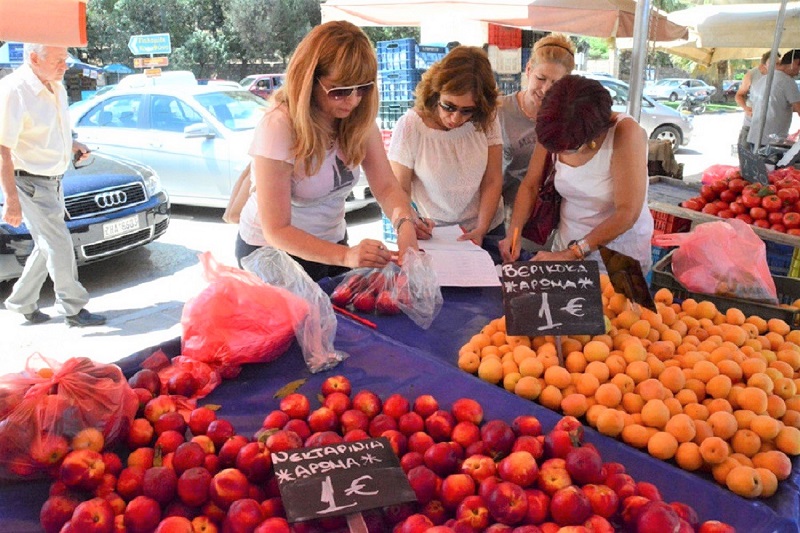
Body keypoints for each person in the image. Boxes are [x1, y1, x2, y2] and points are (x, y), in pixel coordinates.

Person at [236, 21, 419, 281]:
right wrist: (346, 256)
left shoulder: (358, 118)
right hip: (272, 252)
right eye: (340, 91)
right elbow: (276, 229)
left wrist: (405, 226)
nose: (353, 100)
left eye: (363, 88)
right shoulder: (278, 126)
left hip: (332, 243)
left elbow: (387, 188)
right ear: (309, 81)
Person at [499, 75, 654, 273]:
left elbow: (627, 213)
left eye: (569, 150)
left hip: (618, 257)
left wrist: (572, 253)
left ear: (593, 135)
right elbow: (531, 184)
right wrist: (514, 232)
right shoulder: (554, 124)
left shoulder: (626, 132)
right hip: (566, 246)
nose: (559, 154)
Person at [0, 44, 106, 327]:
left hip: (53, 179)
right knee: (59, 242)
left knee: (47, 244)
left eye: (65, 59)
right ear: (35, 58)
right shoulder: (14, 90)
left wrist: (72, 144)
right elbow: (2, 149)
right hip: (30, 182)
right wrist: (11, 199)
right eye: (59, 60)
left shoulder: (55, 85)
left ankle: (21, 301)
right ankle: (73, 308)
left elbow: (49, 131)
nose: (65, 66)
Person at [387, 46, 504, 261]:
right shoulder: (411, 126)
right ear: (436, 92)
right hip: (435, 234)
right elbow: (397, 189)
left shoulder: (487, 118)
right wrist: (412, 221)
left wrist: (481, 228)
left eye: (467, 110)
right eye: (448, 106)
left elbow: (493, 179)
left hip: (487, 227)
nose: (456, 118)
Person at [497, 34, 575, 219]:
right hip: (502, 211)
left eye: (556, 83)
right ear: (528, 70)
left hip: (548, 216)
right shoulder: (499, 111)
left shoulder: (567, 119)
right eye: (541, 78)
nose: (546, 89)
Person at [746, 49, 800, 148]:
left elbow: (774, 105)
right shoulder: (787, 81)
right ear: (795, 63)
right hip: (772, 141)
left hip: (754, 137)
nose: (798, 73)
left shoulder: (763, 79)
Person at [735, 51, 775, 147]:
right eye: (772, 63)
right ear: (762, 65)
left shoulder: (780, 76)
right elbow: (739, 95)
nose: (775, 67)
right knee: (746, 151)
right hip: (751, 124)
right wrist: (745, 108)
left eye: (777, 63)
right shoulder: (752, 74)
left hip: (771, 128)